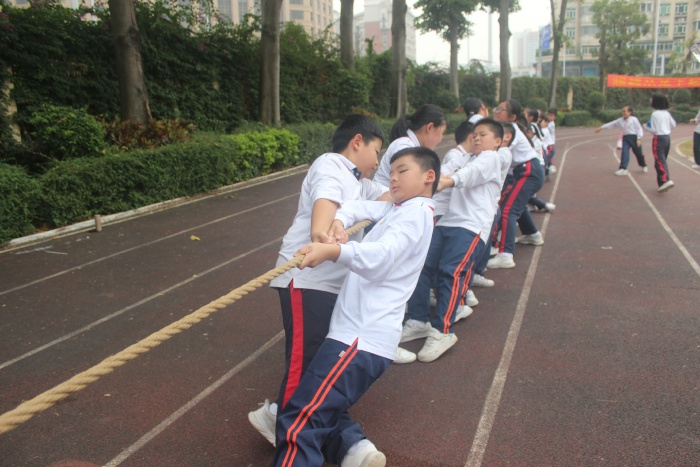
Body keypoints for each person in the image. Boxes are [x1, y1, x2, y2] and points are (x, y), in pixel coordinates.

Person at [271, 147, 440, 467]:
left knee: (301, 420)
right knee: (309, 414)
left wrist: (333, 252)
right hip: (353, 337)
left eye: (402, 170)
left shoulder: (415, 214)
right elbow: (357, 206)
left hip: (360, 339)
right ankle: (353, 449)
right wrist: (339, 221)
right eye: (391, 172)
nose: (393, 178)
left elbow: (382, 257)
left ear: (428, 176)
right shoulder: (400, 209)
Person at [248, 114, 390, 448]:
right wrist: (322, 234)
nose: (378, 161)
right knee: (305, 361)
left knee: (321, 363)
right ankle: (288, 434)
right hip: (307, 278)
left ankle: (285, 419)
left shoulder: (361, 183)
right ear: (358, 141)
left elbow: (389, 197)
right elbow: (324, 205)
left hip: (330, 284)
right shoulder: (331, 165)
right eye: (376, 151)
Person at [401, 119, 504, 363]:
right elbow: (443, 170)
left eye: (483, 134)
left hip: (471, 225)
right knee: (421, 267)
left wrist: (447, 180)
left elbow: (469, 175)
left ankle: (443, 331)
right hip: (447, 221)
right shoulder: (464, 158)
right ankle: (418, 320)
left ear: (497, 141)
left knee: (451, 272)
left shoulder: (492, 158)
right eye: (474, 134)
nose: (476, 138)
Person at [489, 100, 545, 269]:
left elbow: (498, 150)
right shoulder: (505, 129)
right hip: (524, 171)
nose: (497, 111)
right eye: (496, 108)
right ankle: (532, 234)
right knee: (516, 204)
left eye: (501, 109)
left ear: (512, 116)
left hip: (528, 171)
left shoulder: (510, 131)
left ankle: (505, 255)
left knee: (508, 209)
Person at [373, 104, 446, 187]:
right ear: (429, 128)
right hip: (384, 194)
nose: (441, 139)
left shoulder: (410, 145)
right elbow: (408, 184)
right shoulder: (404, 146)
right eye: (442, 133)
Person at [595, 105, 647, 175]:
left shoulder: (634, 119)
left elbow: (639, 128)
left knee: (639, 154)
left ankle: (643, 165)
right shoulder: (620, 120)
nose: (623, 113)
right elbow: (612, 123)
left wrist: (639, 138)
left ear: (630, 112)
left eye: (625, 111)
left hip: (634, 138)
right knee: (624, 152)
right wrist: (601, 127)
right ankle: (623, 168)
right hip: (625, 138)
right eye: (622, 111)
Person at [646, 93, 676, 192]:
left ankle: (665, 180)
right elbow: (673, 124)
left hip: (658, 138)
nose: (650, 100)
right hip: (667, 138)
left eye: (652, 99)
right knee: (660, 161)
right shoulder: (666, 113)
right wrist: (666, 128)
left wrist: (646, 127)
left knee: (660, 160)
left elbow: (654, 130)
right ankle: (662, 184)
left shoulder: (655, 114)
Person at [546, 108, 557, 173]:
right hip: (548, 143)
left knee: (547, 157)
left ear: (555, 117)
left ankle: (551, 167)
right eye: (548, 115)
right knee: (548, 157)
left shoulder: (551, 124)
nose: (549, 117)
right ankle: (551, 166)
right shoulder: (549, 123)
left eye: (551, 115)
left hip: (550, 144)